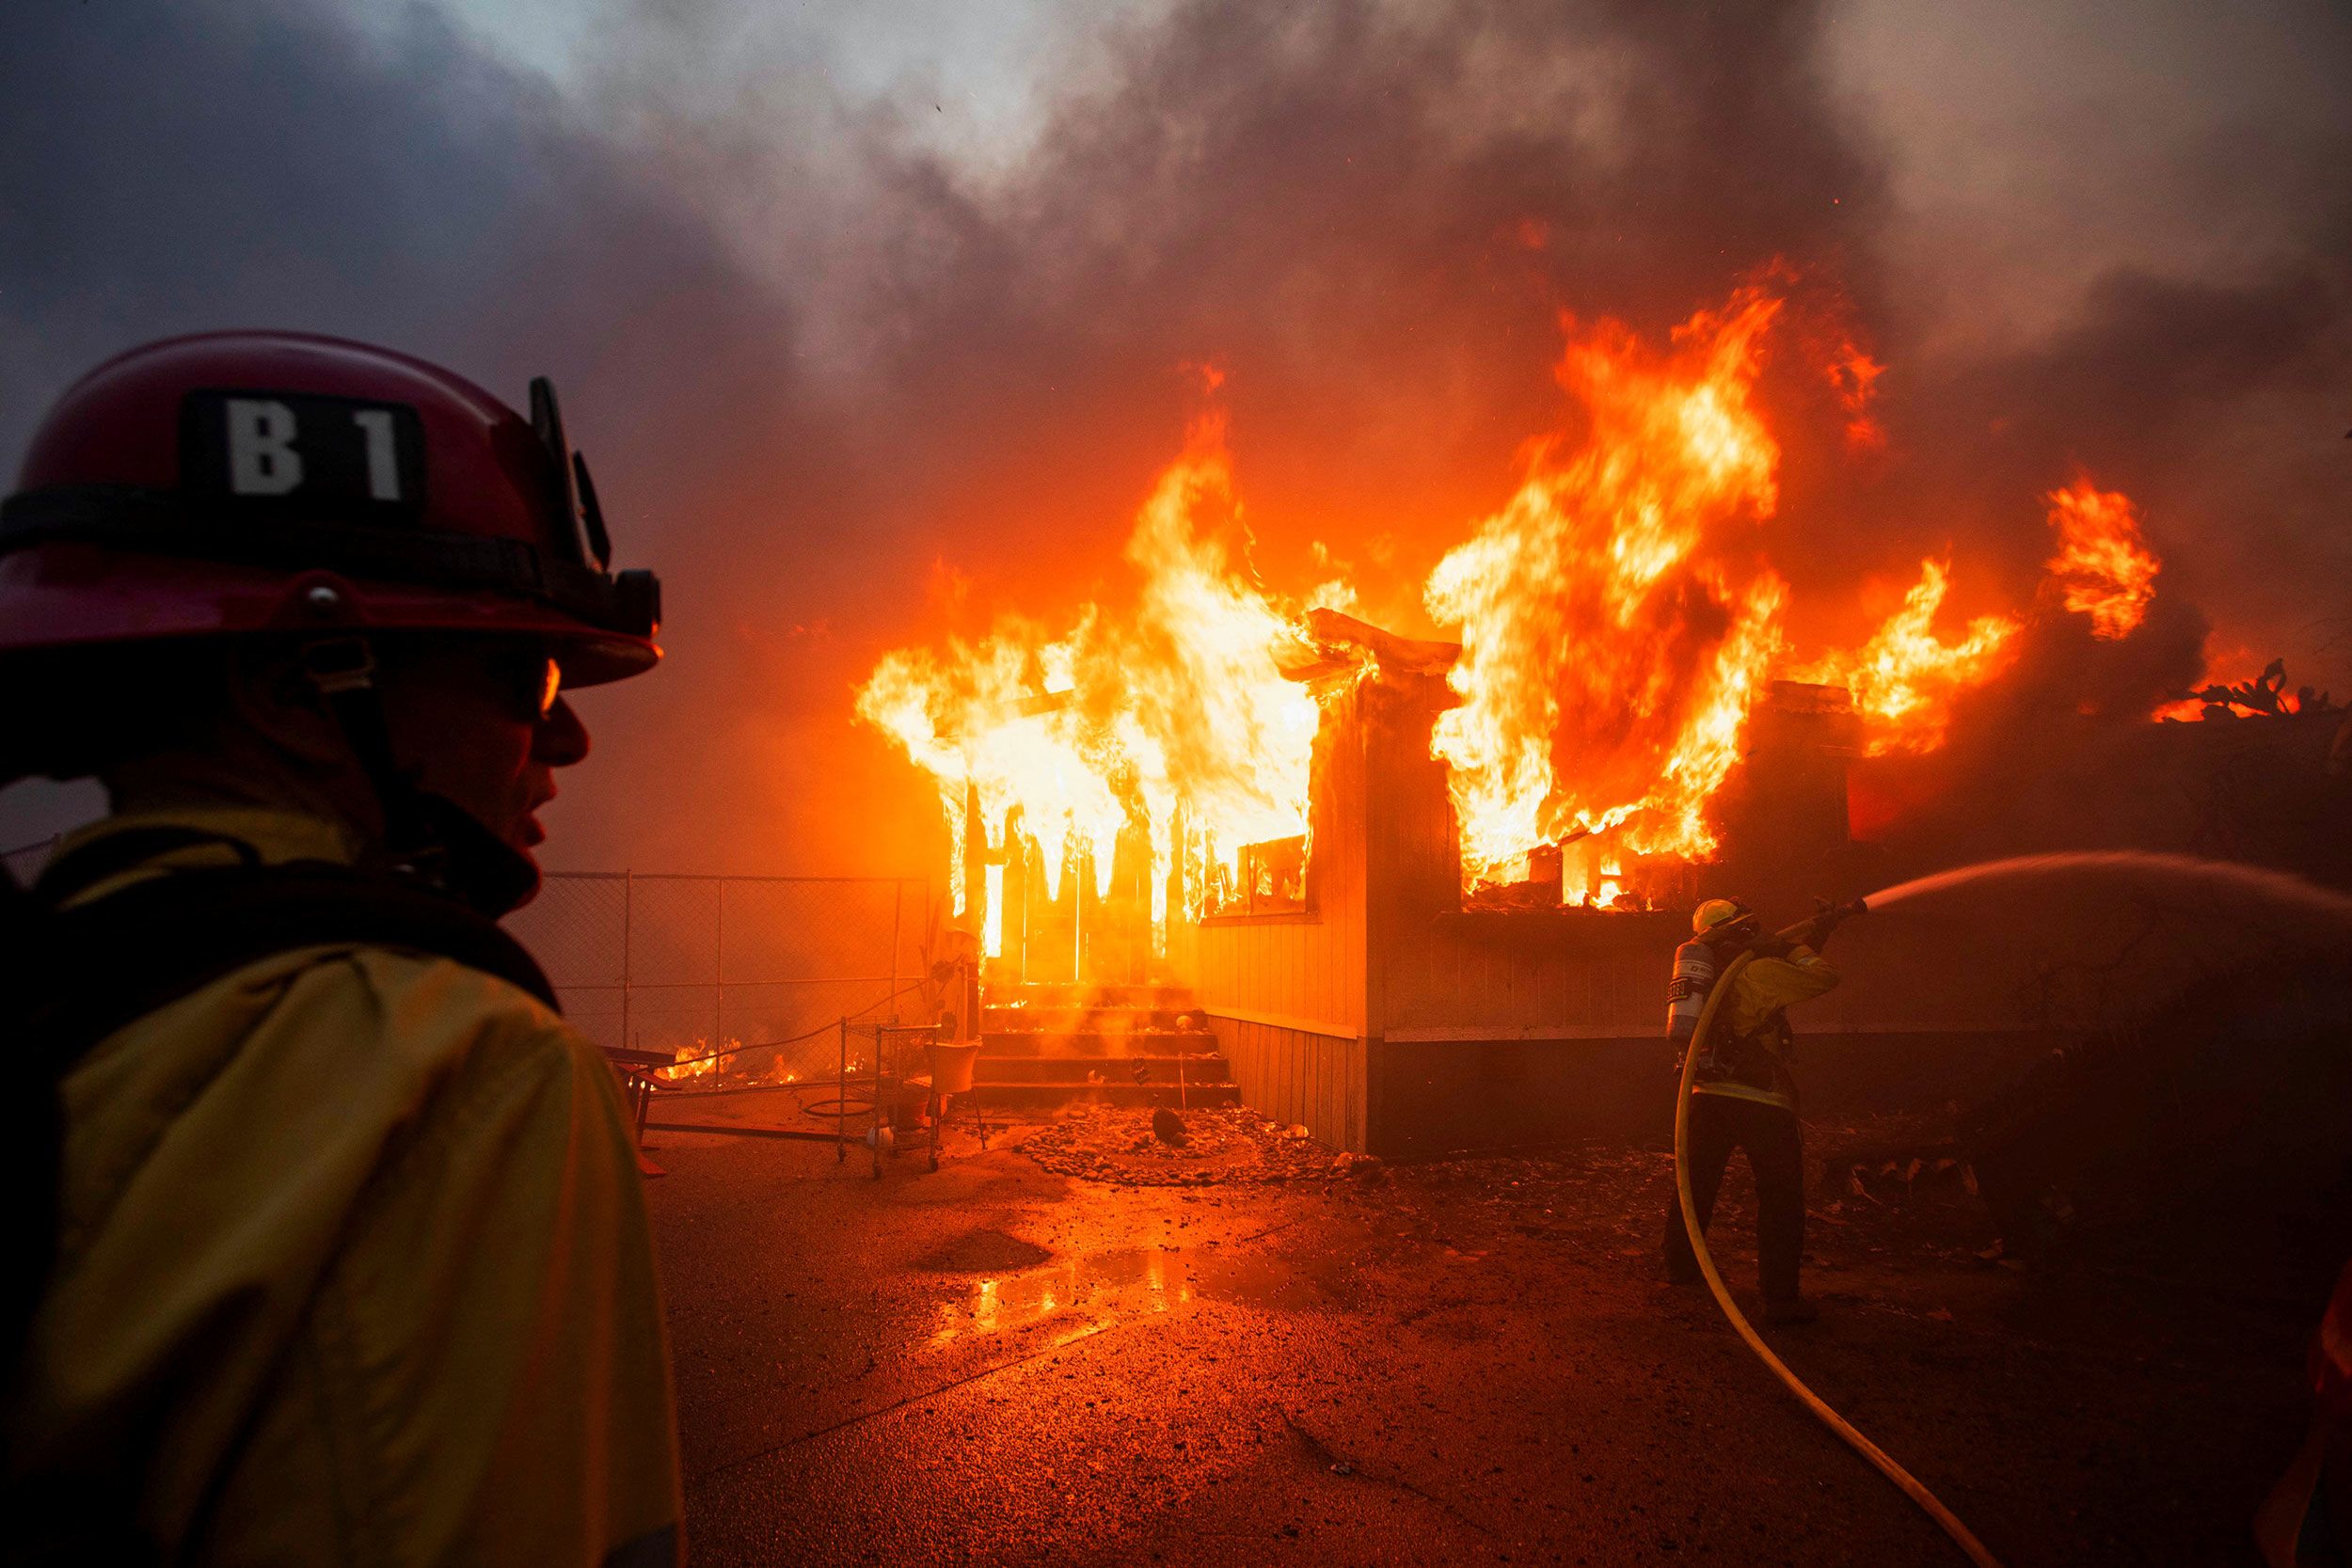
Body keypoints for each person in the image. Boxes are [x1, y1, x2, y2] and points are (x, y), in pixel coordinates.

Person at [0, 332, 682, 1564]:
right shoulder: (457, 1074)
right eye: (517, 676)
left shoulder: (63, 1000)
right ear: (295, 683)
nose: (565, 742)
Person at [1661, 895, 1861, 1324]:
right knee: (1780, 1198)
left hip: (1705, 1092)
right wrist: (1792, 947)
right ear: (1744, 930)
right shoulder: (1759, 969)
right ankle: (1780, 1300)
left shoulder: (1705, 973)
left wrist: (1818, 932)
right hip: (1760, 1100)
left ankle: (1681, 1268)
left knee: (1694, 1185)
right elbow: (1822, 977)